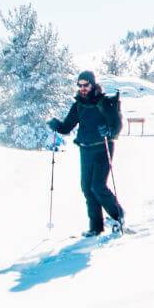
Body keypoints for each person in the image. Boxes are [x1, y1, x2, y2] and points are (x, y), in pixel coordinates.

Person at [48, 70, 126, 236]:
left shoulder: (104, 102)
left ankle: (118, 216)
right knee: (87, 188)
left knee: (97, 186)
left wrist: (109, 131)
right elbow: (67, 127)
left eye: (86, 85)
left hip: (102, 147)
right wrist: (56, 125)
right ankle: (96, 227)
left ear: (92, 84)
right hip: (85, 149)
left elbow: (117, 125)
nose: (83, 88)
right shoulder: (78, 105)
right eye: (80, 85)